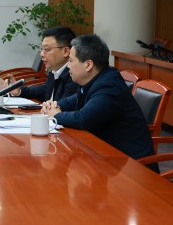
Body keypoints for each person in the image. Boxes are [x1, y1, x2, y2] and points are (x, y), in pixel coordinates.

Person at [43, 34, 157, 169]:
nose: (68, 66)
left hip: (132, 166)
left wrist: (56, 115)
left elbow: (83, 119)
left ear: (88, 65)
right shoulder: (94, 80)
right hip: (106, 157)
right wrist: (55, 105)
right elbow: (72, 101)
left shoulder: (109, 87)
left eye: (71, 61)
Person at [4, 26, 78, 102]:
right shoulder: (55, 71)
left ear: (65, 51)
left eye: (46, 49)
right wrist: (19, 91)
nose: (41, 54)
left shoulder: (74, 76)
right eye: (41, 49)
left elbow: (63, 107)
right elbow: (45, 90)